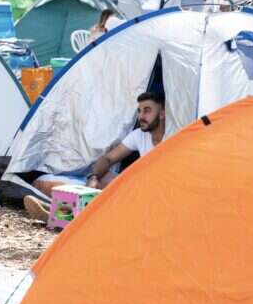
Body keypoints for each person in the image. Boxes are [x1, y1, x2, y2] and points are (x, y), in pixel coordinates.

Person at [24, 91, 166, 222]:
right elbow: (108, 159)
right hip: (140, 189)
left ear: (161, 114)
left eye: (147, 110)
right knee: (105, 178)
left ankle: (58, 215)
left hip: (158, 195)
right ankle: (63, 212)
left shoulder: (171, 138)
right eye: (139, 111)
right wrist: (94, 178)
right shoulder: (139, 135)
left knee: (122, 195)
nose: (141, 117)